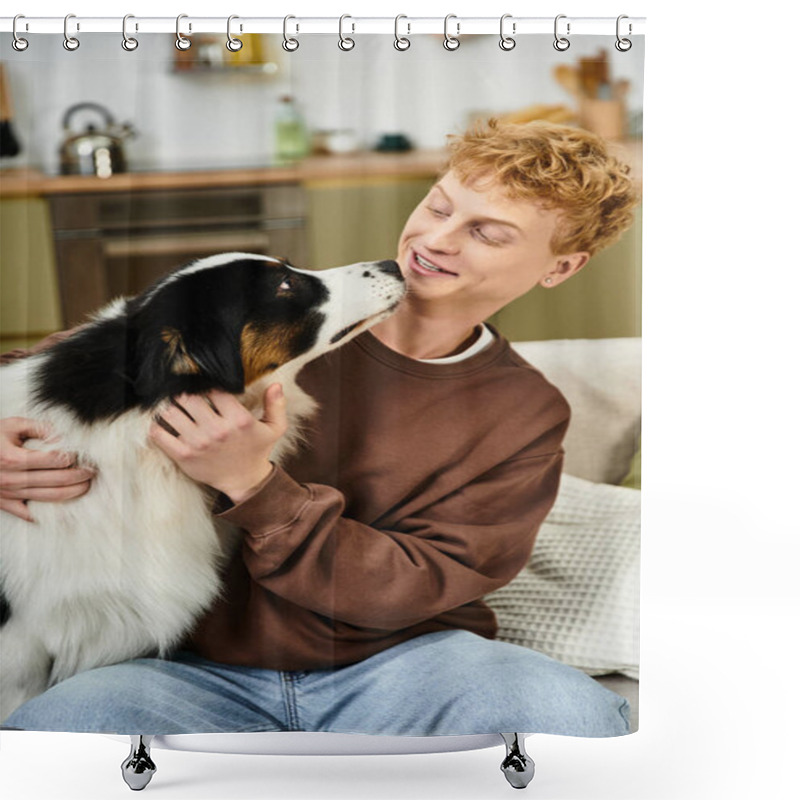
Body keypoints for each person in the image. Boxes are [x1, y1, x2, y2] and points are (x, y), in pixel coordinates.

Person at [0, 119, 639, 737]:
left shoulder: (525, 412)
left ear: (560, 268)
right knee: (57, 733)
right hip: (189, 669)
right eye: (439, 207)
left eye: (488, 234)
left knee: (572, 718)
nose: (438, 240)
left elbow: (418, 580)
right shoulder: (269, 310)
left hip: (405, 668)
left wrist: (253, 485)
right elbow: (63, 370)